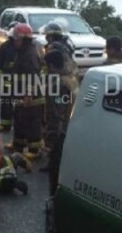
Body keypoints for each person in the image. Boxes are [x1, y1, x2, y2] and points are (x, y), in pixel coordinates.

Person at [5, 23, 44, 160]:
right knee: (19, 119)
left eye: (15, 39)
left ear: (21, 39)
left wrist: (29, 93)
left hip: (31, 98)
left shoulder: (30, 54)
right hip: (20, 94)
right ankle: (18, 145)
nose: (13, 42)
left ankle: (34, 149)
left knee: (31, 122)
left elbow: (32, 76)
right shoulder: (22, 53)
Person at [41, 50, 79, 190]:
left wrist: (52, 130)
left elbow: (57, 110)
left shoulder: (59, 83)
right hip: (72, 120)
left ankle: (54, 164)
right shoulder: (71, 78)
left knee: (57, 146)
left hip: (61, 123)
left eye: (46, 66)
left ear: (51, 65)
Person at [0, 23, 18, 132]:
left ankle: (13, 123)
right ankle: (5, 123)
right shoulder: (5, 46)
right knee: (6, 102)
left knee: (15, 103)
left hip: (17, 80)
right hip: (8, 79)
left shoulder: (22, 47)